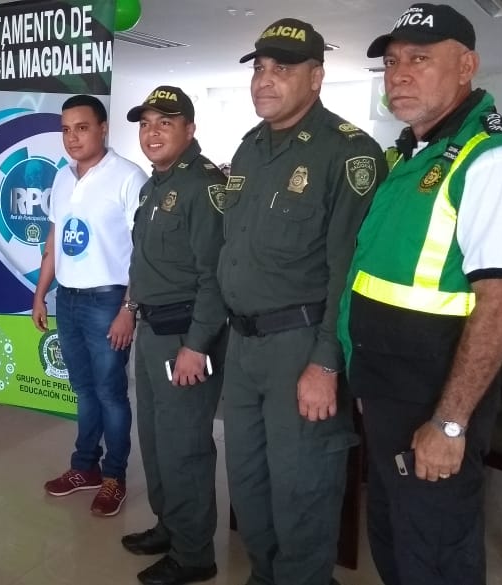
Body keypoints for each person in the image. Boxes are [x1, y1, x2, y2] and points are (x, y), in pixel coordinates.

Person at [339, 4, 502, 584]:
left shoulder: (492, 160)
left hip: (437, 402)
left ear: (466, 67)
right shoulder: (411, 155)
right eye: (392, 62)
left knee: (434, 553)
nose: (399, 74)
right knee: (395, 540)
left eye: (420, 60)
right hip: (389, 394)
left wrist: (450, 424)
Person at [217, 19, 387, 585]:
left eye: (282, 69)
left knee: (302, 491)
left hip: (301, 349)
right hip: (242, 349)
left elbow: (348, 271)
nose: (264, 81)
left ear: (316, 77)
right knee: (248, 483)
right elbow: (234, 253)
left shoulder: (349, 153)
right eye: (260, 69)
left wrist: (325, 361)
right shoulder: (250, 147)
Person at [121, 86, 227, 585]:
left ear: (190, 129)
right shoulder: (153, 186)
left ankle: (194, 554)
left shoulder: (203, 187)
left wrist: (196, 346)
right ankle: (170, 526)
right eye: (145, 123)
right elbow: (145, 263)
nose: (152, 132)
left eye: (165, 121)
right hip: (152, 331)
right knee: (158, 439)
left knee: (185, 445)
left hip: (185, 337)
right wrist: (129, 309)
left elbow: (214, 276)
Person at [32, 94, 147, 517]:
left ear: (103, 128)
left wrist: (128, 309)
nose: (72, 137)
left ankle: (114, 475)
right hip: (69, 297)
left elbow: (144, 251)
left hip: (109, 299)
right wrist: (41, 292)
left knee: (111, 394)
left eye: (82, 127)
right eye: (66, 129)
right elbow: (53, 241)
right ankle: (85, 467)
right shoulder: (62, 178)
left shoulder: (128, 177)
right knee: (83, 391)